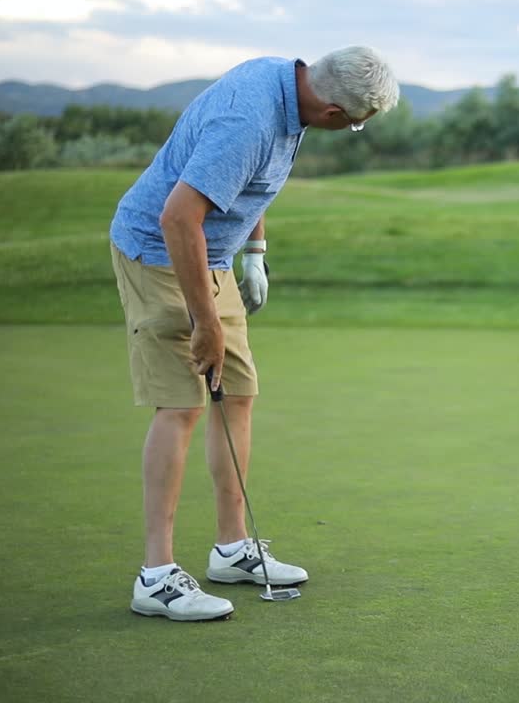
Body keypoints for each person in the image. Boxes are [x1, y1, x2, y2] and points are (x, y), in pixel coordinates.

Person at [109, 46, 399, 621]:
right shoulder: (250, 119)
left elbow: (244, 186)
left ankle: (232, 548)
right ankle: (156, 576)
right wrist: (206, 323)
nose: (352, 130)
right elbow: (176, 217)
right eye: (357, 122)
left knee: (236, 394)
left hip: (212, 254)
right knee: (182, 405)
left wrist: (255, 253)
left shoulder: (291, 86)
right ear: (336, 111)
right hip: (160, 251)